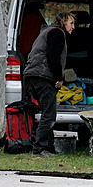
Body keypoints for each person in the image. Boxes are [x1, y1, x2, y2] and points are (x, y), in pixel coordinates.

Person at [23, 12, 75, 157]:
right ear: (63, 22)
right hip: (42, 75)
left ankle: (49, 147)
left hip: (33, 74)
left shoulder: (46, 31)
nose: (73, 27)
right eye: (71, 23)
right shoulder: (57, 33)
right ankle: (39, 149)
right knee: (49, 114)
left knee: (47, 111)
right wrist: (59, 77)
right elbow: (53, 57)